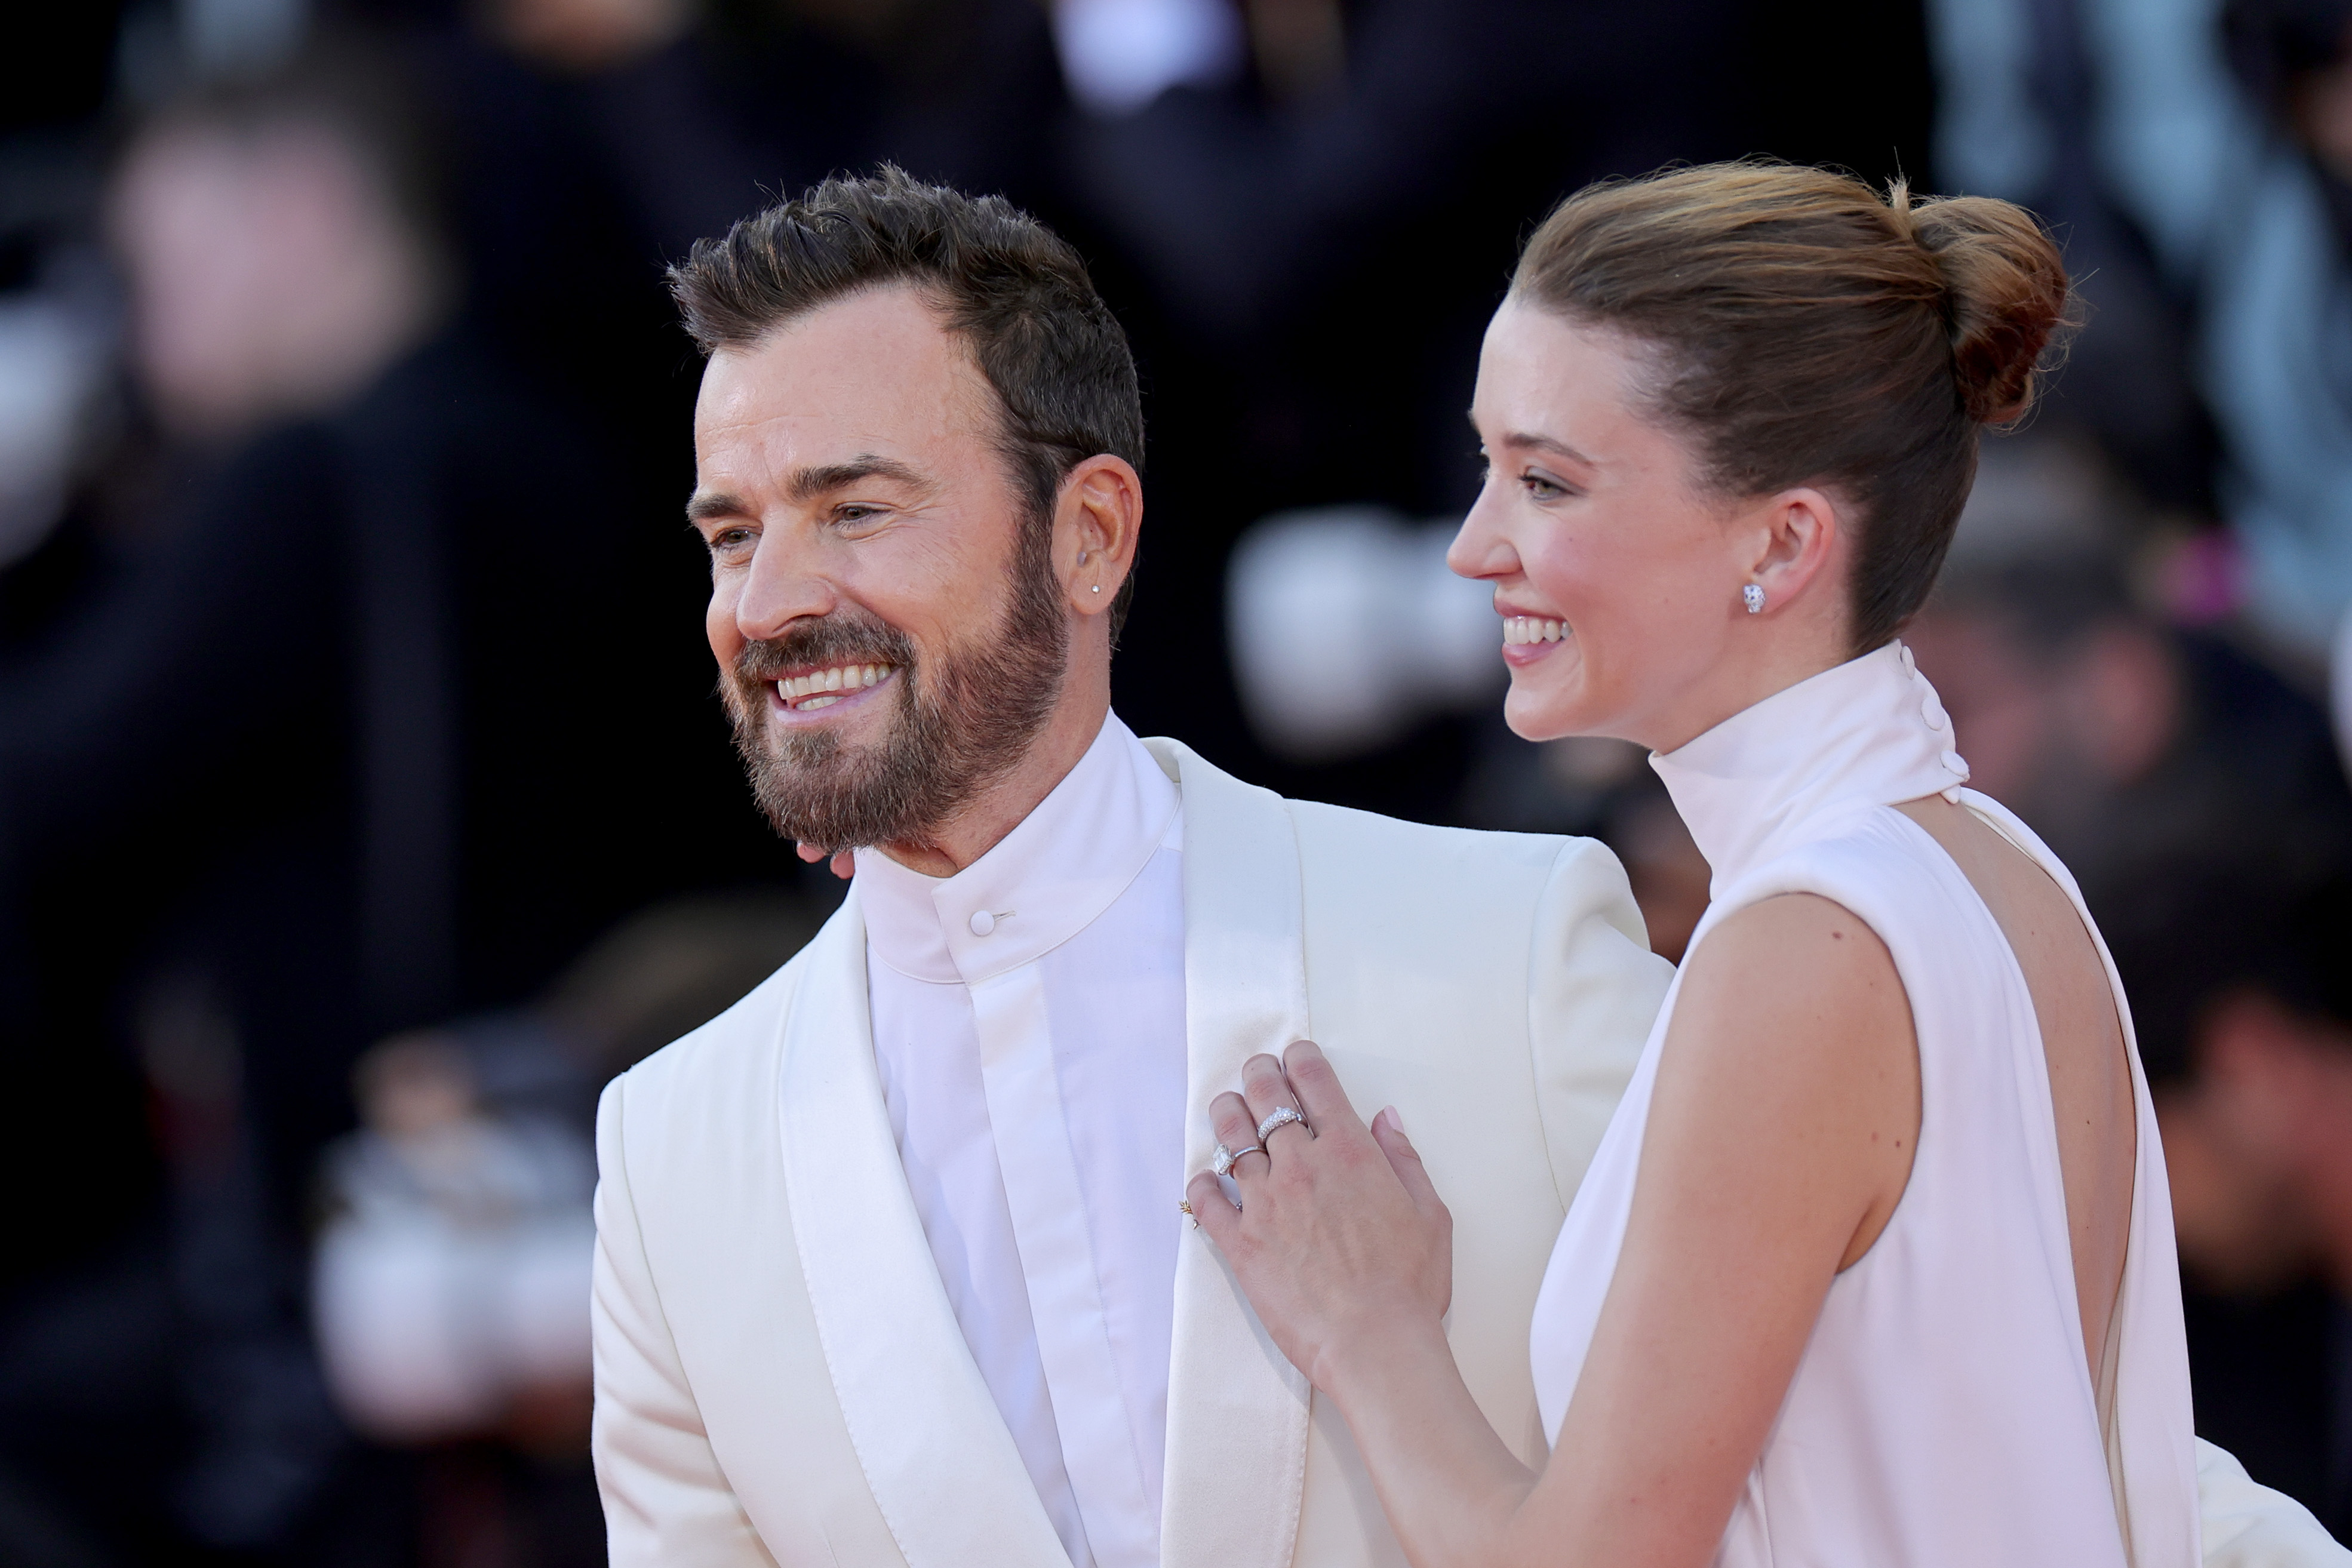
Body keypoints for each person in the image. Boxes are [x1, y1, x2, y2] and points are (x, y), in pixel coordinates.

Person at [590, 167, 2342, 1567]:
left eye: (855, 507)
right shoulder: (674, 1162)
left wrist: (1369, 1333)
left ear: (1091, 531)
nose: (768, 596)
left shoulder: (1520, 949)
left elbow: (1994, 1407)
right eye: (732, 533)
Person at [1181, 161, 2352, 1567]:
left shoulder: (1808, 946)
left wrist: (1366, 1328)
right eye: (1486, 467)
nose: (1473, 545)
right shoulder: (1992, 867)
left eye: (1544, 479)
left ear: (1782, 539)